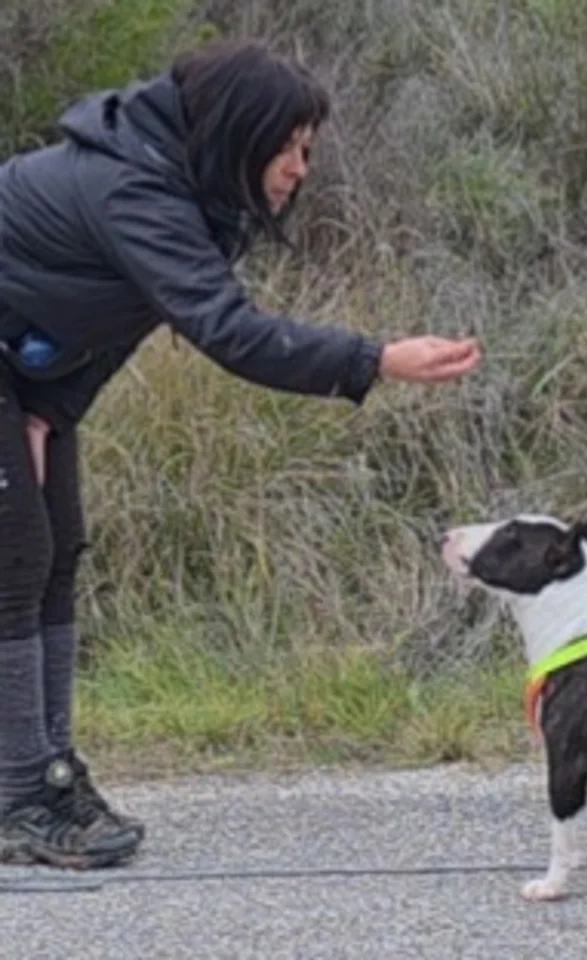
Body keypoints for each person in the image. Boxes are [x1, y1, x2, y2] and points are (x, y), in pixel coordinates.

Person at [0, 39, 481, 869]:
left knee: (58, 549)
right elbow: (230, 332)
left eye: (308, 150)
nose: (300, 168)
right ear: (238, 132)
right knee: (17, 556)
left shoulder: (187, 192)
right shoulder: (135, 188)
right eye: (289, 146)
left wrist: (45, 410)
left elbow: (114, 322)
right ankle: (16, 798)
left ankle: (45, 770)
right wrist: (375, 358)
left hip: (24, 368)